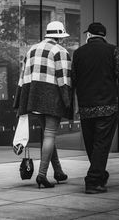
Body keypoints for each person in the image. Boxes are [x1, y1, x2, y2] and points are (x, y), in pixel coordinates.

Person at [72, 22, 119, 194]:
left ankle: (100, 175)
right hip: (107, 107)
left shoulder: (78, 53)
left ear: (89, 35)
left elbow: (73, 79)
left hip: (86, 107)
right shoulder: (112, 50)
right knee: (101, 144)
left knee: (92, 145)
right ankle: (93, 180)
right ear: (103, 36)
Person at [14, 21, 72, 188]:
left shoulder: (31, 50)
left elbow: (22, 77)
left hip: (33, 96)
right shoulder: (61, 51)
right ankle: (41, 175)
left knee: (47, 135)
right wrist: (67, 101)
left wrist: (19, 100)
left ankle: (58, 171)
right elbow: (64, 80)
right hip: (52, 96)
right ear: (60, 36)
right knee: (50, 134)